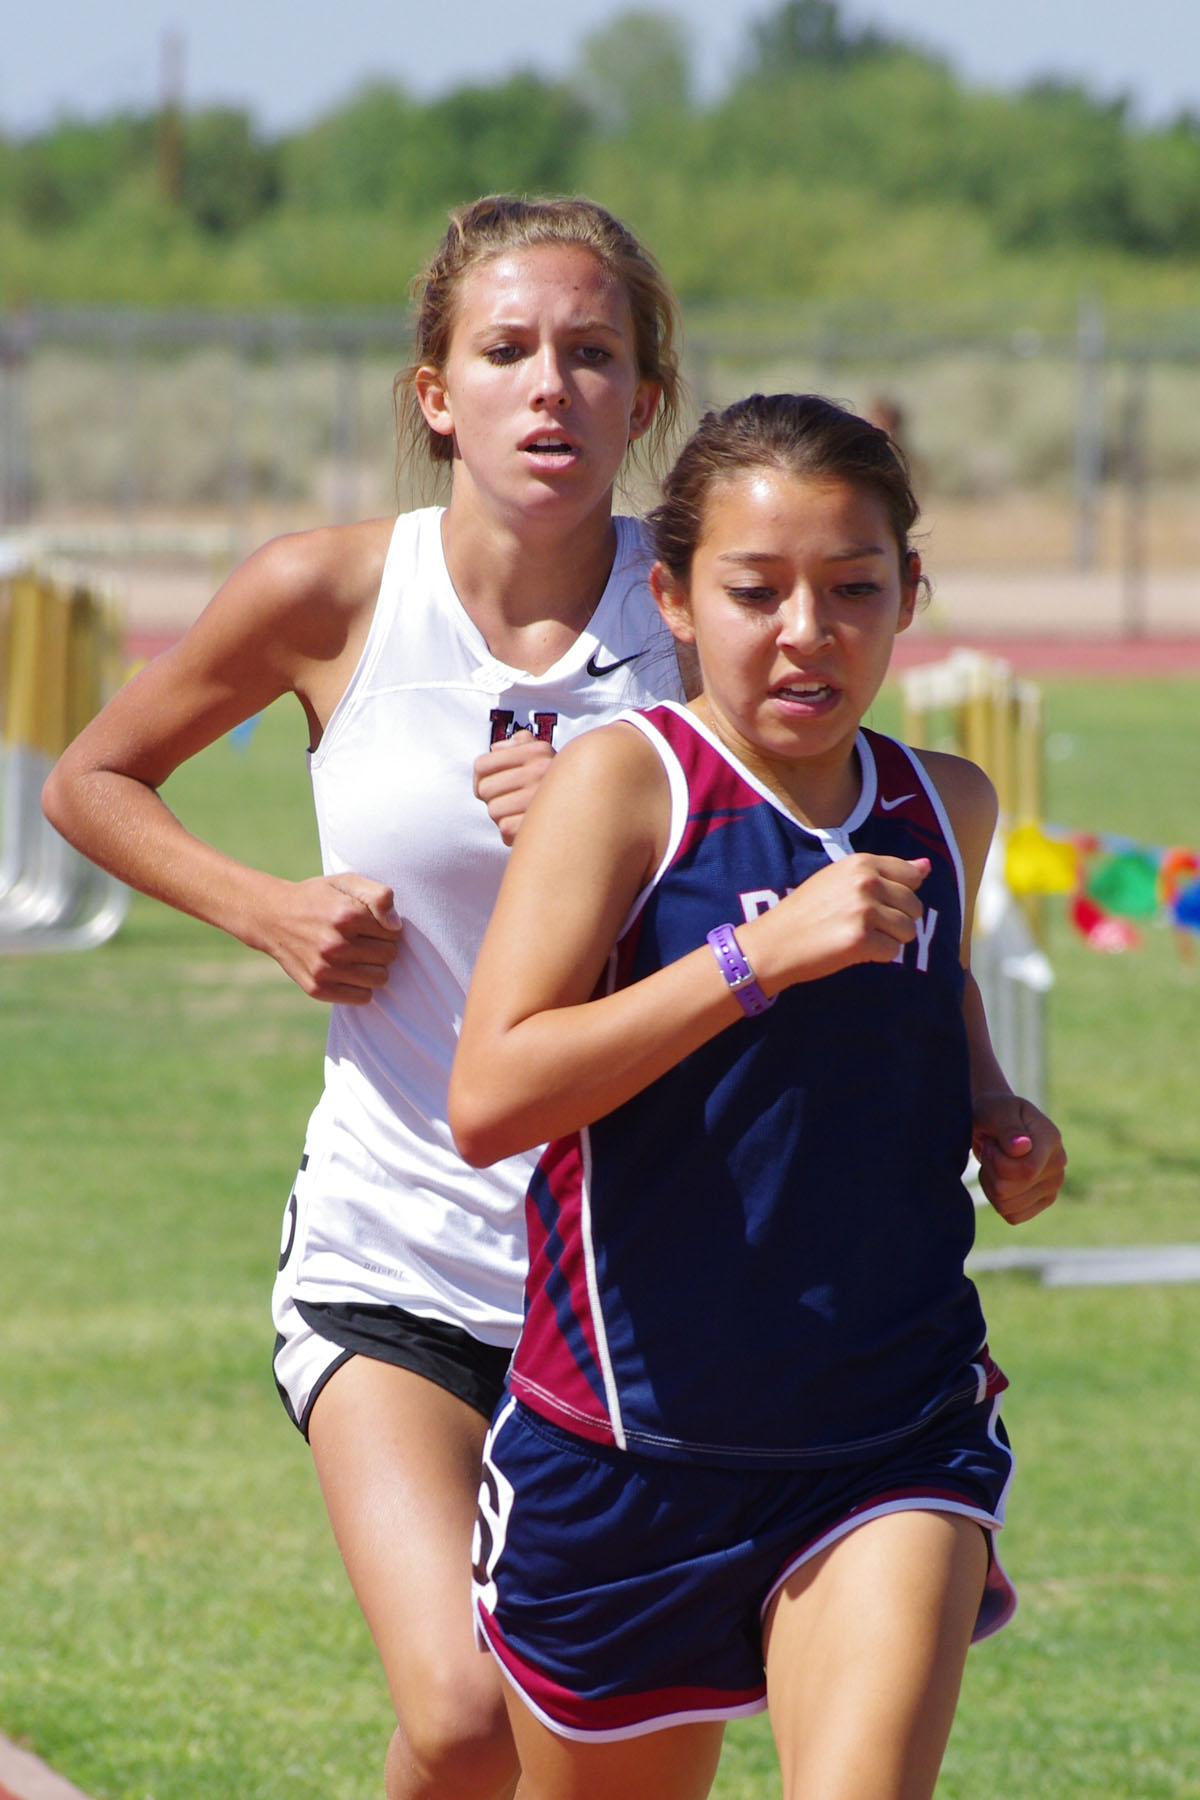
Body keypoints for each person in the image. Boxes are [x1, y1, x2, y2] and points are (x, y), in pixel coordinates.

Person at [41, 193, 686, 1800]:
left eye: (593, 353)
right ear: (436, 393)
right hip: (393, 1256)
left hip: (634, 1291)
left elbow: (833, 847)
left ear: (646, 402)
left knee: (562, 1735)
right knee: (465, 1713)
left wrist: (610, 839)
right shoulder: (330, 595)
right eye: (508, 350)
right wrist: (269, 912)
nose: (551, 386)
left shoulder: (701, 613)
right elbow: (92, 781)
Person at [449, 393, 1067, 1800]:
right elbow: (492, 1095)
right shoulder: (625, 787)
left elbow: (934, 995)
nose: (807, 631)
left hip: (891, 1429)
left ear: (910, 595)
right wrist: (754, 959)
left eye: (854, 589)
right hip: (625, 1451)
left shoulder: (946, 804)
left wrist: (997, 1109)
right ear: (673, 598)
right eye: (755, 590)